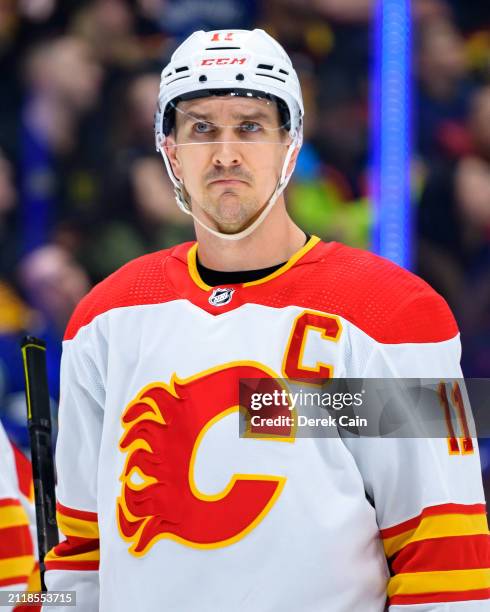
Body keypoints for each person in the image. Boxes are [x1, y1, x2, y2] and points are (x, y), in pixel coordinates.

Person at [44, 29, 489, 611]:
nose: (225, 153)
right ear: (169, 148)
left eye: (250, 126)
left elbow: (445, 556)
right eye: (201, 128)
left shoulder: (396, 313)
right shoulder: (104, 318)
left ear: (291, 144)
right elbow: (82, 553)